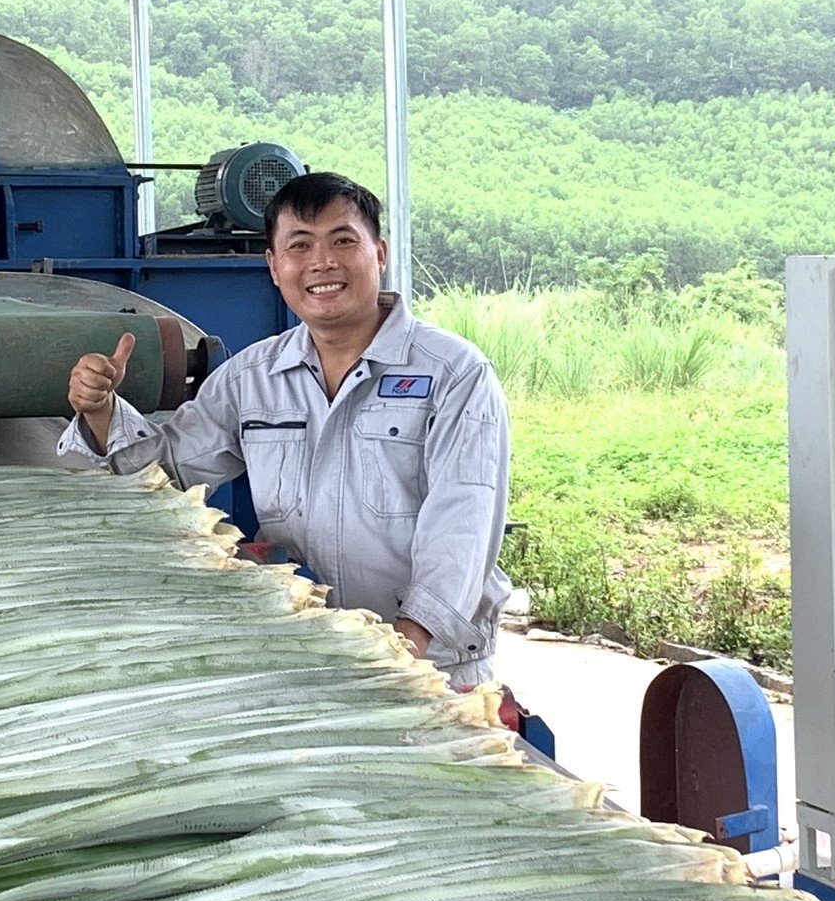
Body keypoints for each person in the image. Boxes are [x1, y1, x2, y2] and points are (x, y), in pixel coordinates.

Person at [58, 172, 511, 687]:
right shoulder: (253, 379)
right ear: (274, 267)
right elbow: (163, 475)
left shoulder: (452, 373)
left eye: (344, 241)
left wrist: (404, 648)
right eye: (300, 245)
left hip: (430, 666)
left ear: (379, 252)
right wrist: (100, 411)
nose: (323, 263)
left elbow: (463, 520)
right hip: (303, 651)